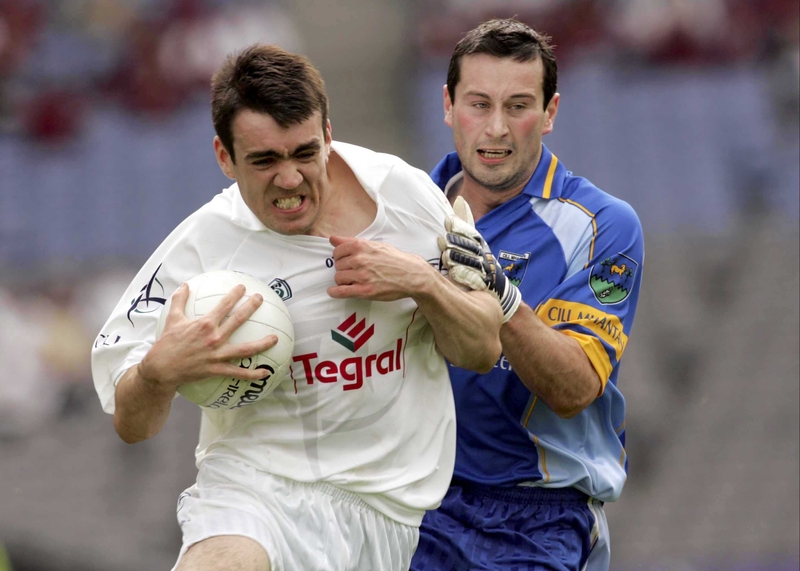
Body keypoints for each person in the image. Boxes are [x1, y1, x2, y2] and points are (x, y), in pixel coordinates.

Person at [91, 44, 504, 571]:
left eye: (304, 153)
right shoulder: (203, 246)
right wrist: (157, 374)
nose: (288, 179)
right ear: (224, 157)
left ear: (328, 135)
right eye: (264, 160)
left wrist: (423, 282)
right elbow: (132, 423)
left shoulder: (405, 196)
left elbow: (483, 348)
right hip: (254, 490)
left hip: (387, 512)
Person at [411, 18, 645, 571]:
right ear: (447, 106)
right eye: (478, 104)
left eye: (518, 106)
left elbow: (575, 386)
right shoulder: (405, 212)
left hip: (538, 515)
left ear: (550, 113)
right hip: (418, 499)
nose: (495, 128)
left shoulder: (601, 224)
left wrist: (503, 298)